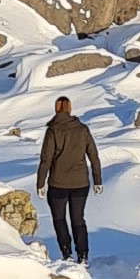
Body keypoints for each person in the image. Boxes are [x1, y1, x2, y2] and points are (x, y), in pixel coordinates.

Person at [35, 93, 103, 265]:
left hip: (58, 183)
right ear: (70, 109)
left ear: (56, 109)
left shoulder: (53, 131)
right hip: (80, 183)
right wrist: (97, 180)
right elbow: (93, 156)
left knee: (59, 219)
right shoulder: (82, 129)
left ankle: (67, 253)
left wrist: (40, 183)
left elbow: (46, 159)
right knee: (78, 219)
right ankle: (83, 255)